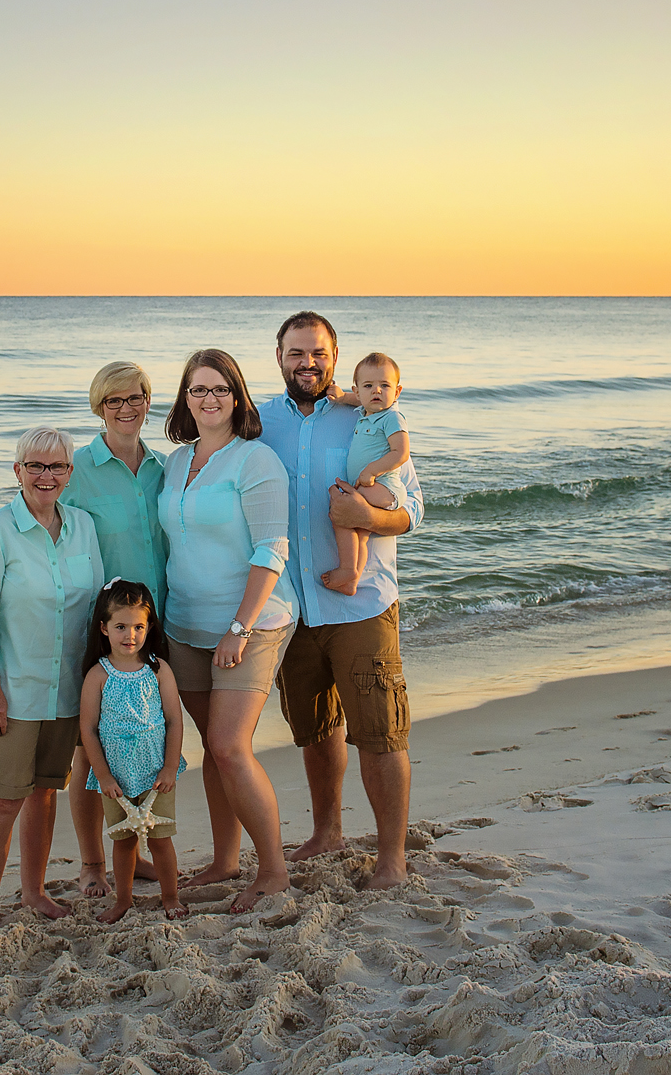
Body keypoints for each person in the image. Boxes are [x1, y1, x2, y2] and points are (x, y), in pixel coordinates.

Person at [260, 313, 423, 891]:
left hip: (362, 604)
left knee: (380, 731)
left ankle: (391, 860)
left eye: (319, 353)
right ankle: (327, 831)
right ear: (278, 355)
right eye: (296, 352)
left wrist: (368, 517)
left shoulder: (369, 415)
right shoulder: (258, 423)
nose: (308, 363)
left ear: (335, 356)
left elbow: (413, 511)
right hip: (292, 606)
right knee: (314, 725)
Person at [159, 348, 299, 913]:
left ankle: (273, 869)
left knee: (228, 746)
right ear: (184, 400)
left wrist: (239, 626)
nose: (209, 399)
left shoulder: (256, 460)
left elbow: (272, 549)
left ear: (237, 398)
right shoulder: (175, 462)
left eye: (220, 389)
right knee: (211, 750)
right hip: (184, 624)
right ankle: (223, 859)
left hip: (252, 623)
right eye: (198, 390)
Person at [0, 425, 105, 941]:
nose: (47, 476)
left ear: (70, 472)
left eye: (57, 466)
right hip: (13, 691)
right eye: (36, 466)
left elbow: (95, 611)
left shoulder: (84, 526)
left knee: (45, 793)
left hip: (66, 691)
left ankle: (35, 892)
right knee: (2, 799)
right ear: (17, 471)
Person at [60, 361, 170, 899]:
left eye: (136, 398)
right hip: (103, 630)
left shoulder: (163, 468)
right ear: (98, 407)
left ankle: (134, 846)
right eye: (114, 401)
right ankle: (91, 863)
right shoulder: (77, 469)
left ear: (150, 402)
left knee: (143, 738)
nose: (127, 409)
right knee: (93, 748)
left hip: (157, 625)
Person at [77, 578, 187, 923]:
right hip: (116, 779)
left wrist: (170, 768)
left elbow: (174, 721)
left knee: (161, 840)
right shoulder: (98, 675)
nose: (130, 635)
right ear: (104, 628)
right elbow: (88, 731)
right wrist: (104, 776)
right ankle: (123, 899)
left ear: (149, 627)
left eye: (138, 626)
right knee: (123, 843)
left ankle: (170, 896)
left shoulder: (158, 669)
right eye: (121, 626)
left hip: (156, 774)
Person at [320, 352, 412, 597]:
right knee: (359, 533)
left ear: (397, 391)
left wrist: (372, 470)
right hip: (375, 486)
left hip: (383, 485)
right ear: (358, 392)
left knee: (343, 515)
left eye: (385, 385)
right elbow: (354, 400)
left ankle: (347, 568)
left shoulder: (391, 417)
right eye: (369, 386)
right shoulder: (367, 412)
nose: (377, 391)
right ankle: (352, 579)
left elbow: (401, 453)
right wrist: (340, 397)